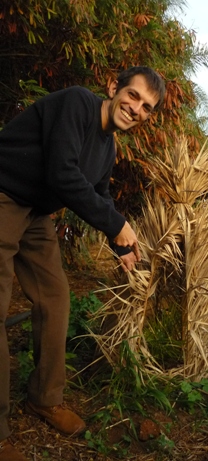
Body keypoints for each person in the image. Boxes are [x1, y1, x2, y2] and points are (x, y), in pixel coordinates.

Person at [0, 66, 166, 460]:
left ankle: (44, 398)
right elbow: (62, 173)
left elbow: (99, 195)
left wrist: (119, 243)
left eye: (146, 107)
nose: (136, 109)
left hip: (37, 214)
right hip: (3, 194)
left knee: (55, 299)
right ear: (113, 87)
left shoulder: (107, 148)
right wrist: (117, 224)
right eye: (133, 96)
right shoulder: (77, 102)